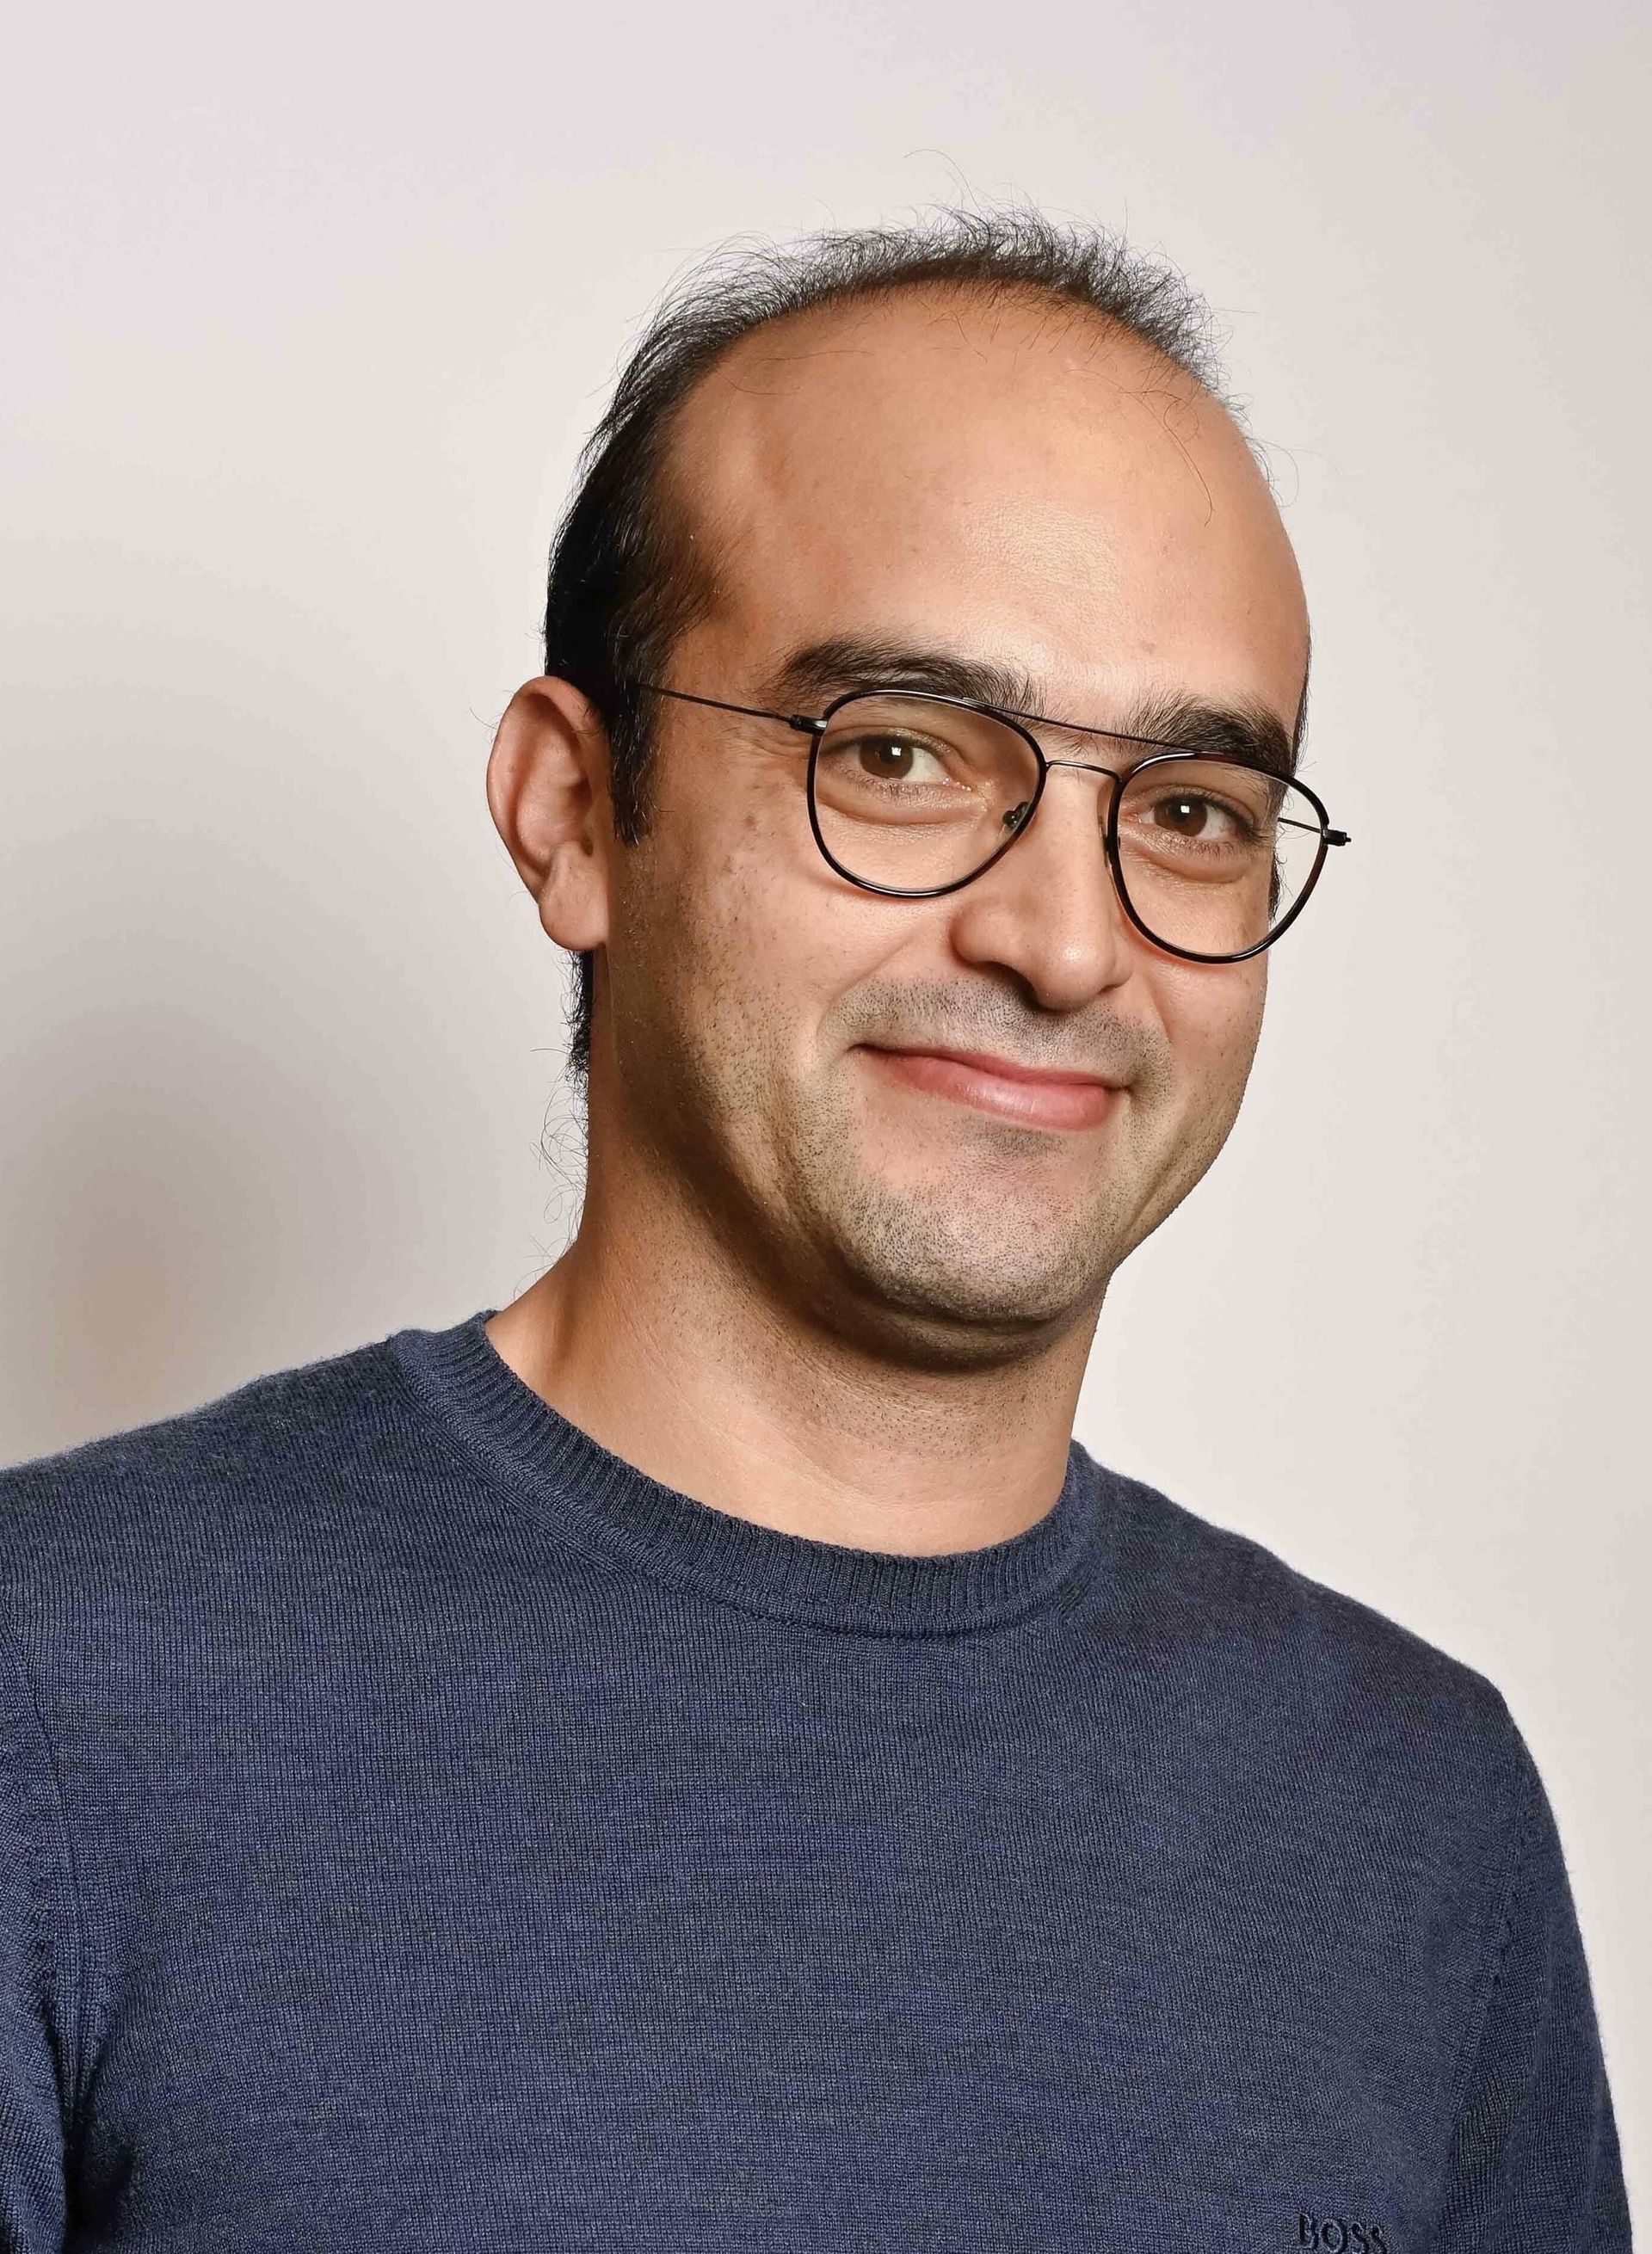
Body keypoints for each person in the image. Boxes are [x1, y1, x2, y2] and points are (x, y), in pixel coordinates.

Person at [0, 210, 1630, 2250]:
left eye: (1191, 807)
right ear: (574, 813)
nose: (1065, 940)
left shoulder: (1417, 1814)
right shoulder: (57, 1687)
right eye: (901, 753)